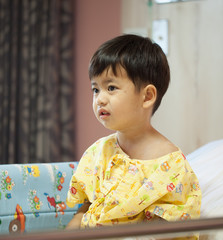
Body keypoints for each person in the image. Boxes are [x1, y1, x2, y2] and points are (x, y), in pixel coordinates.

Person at [66, 34, 201, 231]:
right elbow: (84, 211)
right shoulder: (98, 152)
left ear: (147, 96)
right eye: (95, 90)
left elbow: (169, 233)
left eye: (111, 88)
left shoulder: (171, 167)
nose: (100, 99)